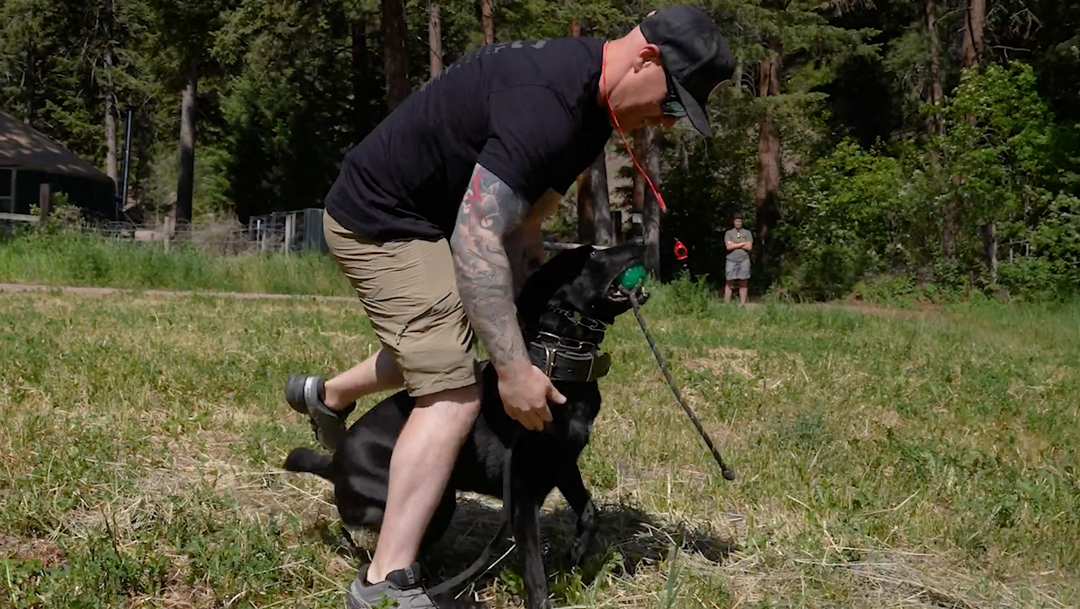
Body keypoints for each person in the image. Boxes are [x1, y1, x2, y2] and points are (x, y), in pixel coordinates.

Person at [286, 6, 734, 607]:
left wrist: (530, 321)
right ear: (645, 59)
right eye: (673, 101)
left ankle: (331, 394)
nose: (668, 119)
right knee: (453, 391)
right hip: (381, 220)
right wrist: (515, 370)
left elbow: (522, 224)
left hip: (436, 220)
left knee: (477, 327)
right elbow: (476, 239)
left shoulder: (592, 114)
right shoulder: (548, 105)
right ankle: (384, 586)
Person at [724, 212, 752, 304]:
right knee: (729, 281)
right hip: (731, 260)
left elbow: (749, 247)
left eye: (740, 221)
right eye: (736, 221)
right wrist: (743, 243)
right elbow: (729, 247)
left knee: (743, 282)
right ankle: (726, 303)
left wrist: (734, 244)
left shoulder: (747, 233)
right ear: (733, 222)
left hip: (744, 260)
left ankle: (742, 304)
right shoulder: (729, 233)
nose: (738, 223)